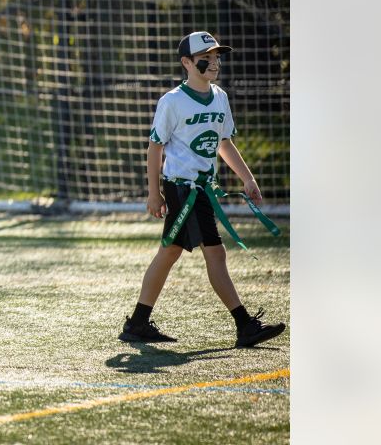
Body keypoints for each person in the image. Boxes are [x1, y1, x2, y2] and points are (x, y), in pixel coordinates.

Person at [119, 31, 285, 348]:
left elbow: (224, 142)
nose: (214, 62)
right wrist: (154, 193)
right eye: (206, 57)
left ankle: (138, 322)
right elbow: (154, 148)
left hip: (203, 189)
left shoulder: (219, 97)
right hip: (182, 189)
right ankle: (244, 325)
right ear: (187, 62)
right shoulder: (172, 102)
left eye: (217, 56)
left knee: (176, 253)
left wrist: (247, 177)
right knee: (206, 253)